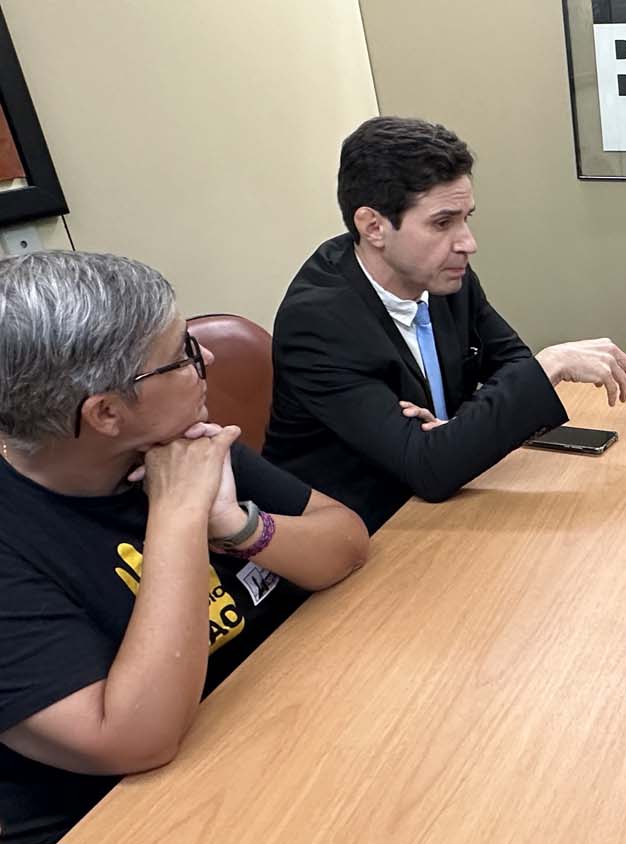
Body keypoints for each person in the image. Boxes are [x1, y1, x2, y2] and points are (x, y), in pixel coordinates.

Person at [0, 251, 369, 844]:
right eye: (183, 355)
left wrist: (234, 526)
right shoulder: (18, 539)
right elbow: (135, 739)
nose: (209, 359)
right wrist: (177, 515)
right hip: (141, 816)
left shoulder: (178, 444)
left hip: (278, 729)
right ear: (107, 412)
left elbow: (345, 539)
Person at [263, 116, 626, 532]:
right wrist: (550, 364)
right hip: (361, 532)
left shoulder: (441, 276)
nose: (467, 243)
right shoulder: (318, 322)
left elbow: (511, 364)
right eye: (442, 223)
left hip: (444, 507)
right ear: (373, 227)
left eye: (466, 218)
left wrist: (456, 433)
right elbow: (430, 469)